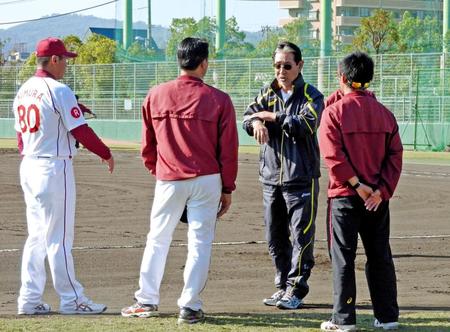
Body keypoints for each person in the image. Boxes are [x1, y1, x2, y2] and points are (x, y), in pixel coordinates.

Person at [121, 37, 238, 324]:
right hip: (207, 179)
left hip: (169, 178)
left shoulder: (156, 94)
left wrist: (159, 170)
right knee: (200, 243)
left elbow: (147, 147)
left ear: (179, 60)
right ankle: (190, 306)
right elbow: (229, 150)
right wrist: (227, 187)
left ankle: (146, 300)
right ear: (204, 63)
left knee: (157, 240)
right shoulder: (219, 99)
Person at [13, 37, 114, 315]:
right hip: (53, 168)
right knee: (59, 239)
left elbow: (21, 138)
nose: (67, 65)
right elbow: (81, 131)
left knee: (36, 237)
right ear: (54, 60)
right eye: (65, 60)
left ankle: (29, 300)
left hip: (30, 166)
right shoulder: (59, 89)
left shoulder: (24, 89)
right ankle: (72, 300)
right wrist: (106, 153)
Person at [319, 52, 403, 331]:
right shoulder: (385, 114)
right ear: (370, 79)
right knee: (380, 254)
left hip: (344, 196)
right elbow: (395, 156)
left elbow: (332, 156)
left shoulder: (333, 113)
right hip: (377, 200)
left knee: (343, 256)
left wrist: (357, 185)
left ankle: (344, 319)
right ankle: (387, 316)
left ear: (342, 77)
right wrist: (381, 190)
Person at [242, 41, 324, 310]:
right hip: (270, 179)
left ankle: (296, 290)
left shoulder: (313, 96)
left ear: (299, 66)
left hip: (301, 178)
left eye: (286, 66)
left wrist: (272, 117)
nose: (281, 70)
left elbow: (304, 124)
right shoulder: (267, 92)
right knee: (275, 236)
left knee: (302, 238)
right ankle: (281, 286)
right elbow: (248, 115)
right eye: (277, 65)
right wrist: (256, 121)